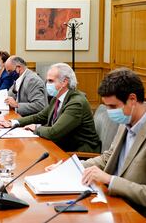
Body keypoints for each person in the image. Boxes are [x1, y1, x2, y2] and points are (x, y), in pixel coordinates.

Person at [46, 68, 146, 217]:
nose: (110, 112)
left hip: (134, 212)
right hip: (111, 204)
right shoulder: (126, 121)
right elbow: (107, 158)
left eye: (113, 107)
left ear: (132, 99)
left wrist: (110, 180)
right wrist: (71, 166)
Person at [0, 63, 101, 153]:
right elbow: (39, 117)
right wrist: (14, 123)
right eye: (47, 81)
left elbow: (54, 132)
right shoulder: (57, 97)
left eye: (51, 81)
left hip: (78, 152)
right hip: (61, 145)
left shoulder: (76, 103)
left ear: (64, 82)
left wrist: (36, 128)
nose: (47, 84)